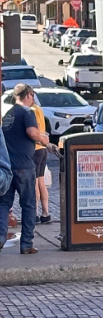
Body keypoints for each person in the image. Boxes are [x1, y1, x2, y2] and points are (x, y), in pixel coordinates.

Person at [3, 85, 48, 254]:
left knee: (3, 205)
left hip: (8, 167)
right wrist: (44, 140)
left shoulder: (9, 114)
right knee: (28, 205)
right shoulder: (27, 112)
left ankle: (0, 238)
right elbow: (32, 133)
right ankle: (27, 244)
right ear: (29, 95)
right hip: (24, 166)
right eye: (33, 95)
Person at [31, 95, 51, 223]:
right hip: (42, 149)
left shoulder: (31, 111)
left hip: (35, 149)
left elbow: (36, 129)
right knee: (41, 182)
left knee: (34, 183)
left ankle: (35, 214)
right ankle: (46, 213)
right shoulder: (38, 109)